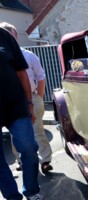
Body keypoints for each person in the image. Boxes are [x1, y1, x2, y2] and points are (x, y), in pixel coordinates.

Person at [0, 24, 48, 200]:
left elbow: (21, 72)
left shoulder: (3, 36)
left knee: (28, 148)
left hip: (15, 106)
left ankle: (31, 191)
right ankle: (12, 197)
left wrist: (29, 103)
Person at [0, 22, 53, 174]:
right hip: (13, 101)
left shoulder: (29, 56)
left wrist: (39, 98)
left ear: (15, 36)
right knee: (15, 135)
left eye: (9, 35)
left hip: (32, 98)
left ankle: (45, 160)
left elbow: (41, 77)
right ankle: (21, 162)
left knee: (38, 131)